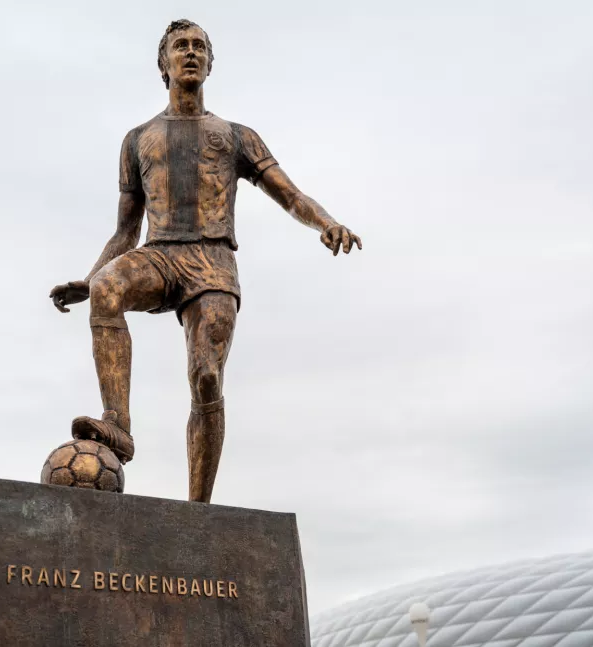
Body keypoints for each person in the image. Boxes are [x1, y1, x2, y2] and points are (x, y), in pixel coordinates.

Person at [50, 19, 361, 503]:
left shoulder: (235, 136)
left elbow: (290, 194)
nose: (190, 53)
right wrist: (89, 282)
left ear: (210, 64)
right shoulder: (138, 139)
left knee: (206, 375)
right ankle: (119, 424)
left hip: (213, 261)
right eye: (180, 46)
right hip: (161, 254)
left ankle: (199, 508)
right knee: (110, 287)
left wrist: (326, 223)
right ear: (164, 65)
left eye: (199, 47)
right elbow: (126, 231)